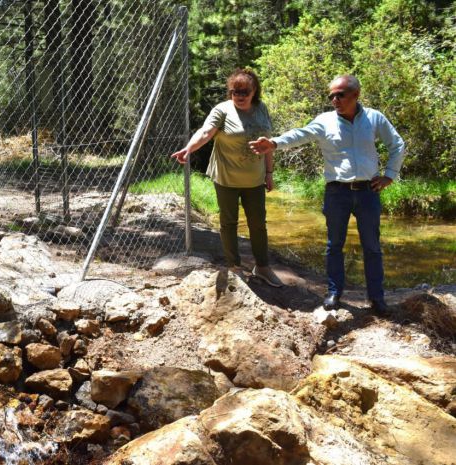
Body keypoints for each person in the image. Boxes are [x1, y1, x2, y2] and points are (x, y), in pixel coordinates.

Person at [249, 75, 405, 313]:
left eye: (340, 94)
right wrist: (274, 143)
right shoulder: (325, 121)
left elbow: (397, 144)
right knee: (334, 246)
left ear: (356, 95)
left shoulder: (374, 118)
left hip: (367, 192)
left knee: (372, 246)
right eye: (331, 95)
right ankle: (334, 293)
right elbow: (300, 134)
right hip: (337, 193)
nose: (334, 99)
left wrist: (390, 175)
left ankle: (377, 298)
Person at [172, 68, 284, 287]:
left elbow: (268, 145)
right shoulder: (222, 110)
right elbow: (205, 133)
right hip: (226, 178)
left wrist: (269, 172)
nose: (240, 96)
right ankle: (234, 267)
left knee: (258, 224)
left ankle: (262, 267)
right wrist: (189, 149)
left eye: (245, 91)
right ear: (230, 92)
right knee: (228, 223)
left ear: (254, 91)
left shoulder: (262, 109)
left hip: (255, 179)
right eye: (235, 91)